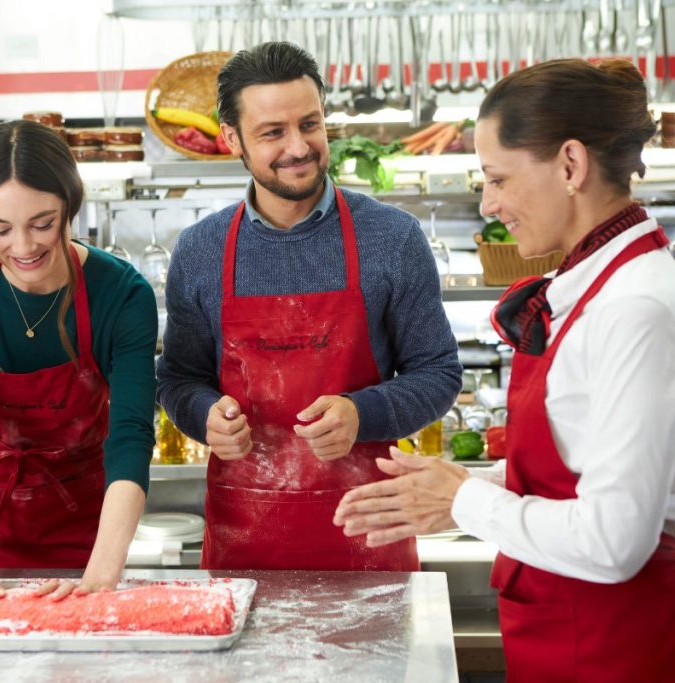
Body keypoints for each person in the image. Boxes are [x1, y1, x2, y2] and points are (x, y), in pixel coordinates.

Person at [335, 58, 675, 682]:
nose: (488, 202)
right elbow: (580, 461)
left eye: (497, 177)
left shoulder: (636, 307)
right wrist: (462, 490)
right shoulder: (594, 286)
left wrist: (466, 499)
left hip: (629, 648)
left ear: (572, 165)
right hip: (578, 635)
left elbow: (613, 543)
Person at [155, 42, 462, 572]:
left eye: (310, 124)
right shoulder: (200, 249)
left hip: (370, 530)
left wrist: (360, 413)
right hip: (246, 539)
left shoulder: (392, 237)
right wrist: (203, 415)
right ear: (233, 140)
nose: (298, 147)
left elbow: (438, 373)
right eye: (272, 132)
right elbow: (178, 378)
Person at [0, 120, 158, 604]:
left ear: (71, 206)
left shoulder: (121, 294)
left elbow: (131, 437)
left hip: (87, 539)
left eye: (43, 224)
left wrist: (100, 577)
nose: (22, 248)